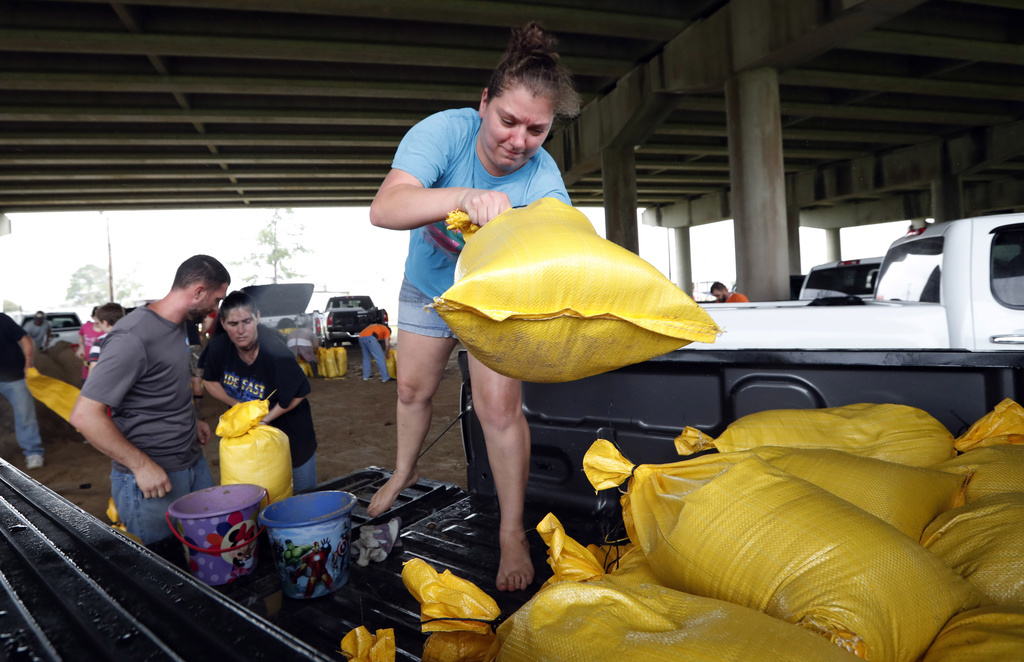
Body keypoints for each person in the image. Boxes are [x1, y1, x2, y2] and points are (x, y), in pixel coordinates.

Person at [366, 21, 580, 592]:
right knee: (413, 389)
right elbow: (385, 208)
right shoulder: (444, 133)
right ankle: (404, 470)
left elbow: (565, 244)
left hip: (493, 299)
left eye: (536, 130)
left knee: (499, 410)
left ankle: (512, 528)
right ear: (484, 103)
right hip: (428, 283)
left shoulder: (544, 175)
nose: (518, 140)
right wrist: (464, 197)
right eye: (508, 120)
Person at [69, 255, 230, 545]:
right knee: (161, 575)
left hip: (192, 463)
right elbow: (84, 415)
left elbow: (163, 385)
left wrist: (192, 421)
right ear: (197, 292)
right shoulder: (132, 336)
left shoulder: (181, 325)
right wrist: (141, 465)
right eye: (216, 300)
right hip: (152, 480)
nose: (214, 309)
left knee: (205, 555)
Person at [201, 291, 319, 493]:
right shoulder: (218, 348)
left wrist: (264, 420)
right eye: (233, 324)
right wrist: (238, 406)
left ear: (257, 316)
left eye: (246, 321)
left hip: (293, 437)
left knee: (302, 498)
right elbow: (209, 380)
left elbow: (299, 392)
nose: (240, 330)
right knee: (256, 499)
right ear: (222, 323)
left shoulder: (275, 350)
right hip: (250, 440)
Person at [0, 312, 46, 470]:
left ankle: (33, 452)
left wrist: (28, 364)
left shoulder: (2, 319)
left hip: (14, 376)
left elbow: (25, 340)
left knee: (25, 414)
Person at [85, 303, 126, 375]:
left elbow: (93, 371)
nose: (100, 327)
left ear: (105, 323)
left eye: (99, 323)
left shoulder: (100, 341)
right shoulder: (133, 337)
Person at [286, 313, 321, 378]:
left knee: (293, 359)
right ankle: (316, 374)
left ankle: (292, 375)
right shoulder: (311, 332)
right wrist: (314, 354)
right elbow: (316, 345)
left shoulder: (293, 331)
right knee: (311, 358)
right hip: (304, 343)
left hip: (290, 344)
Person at [76, 306, 103, 381]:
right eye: (97, 318)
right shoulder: (85, 326)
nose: (99, 321)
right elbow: (81, 336)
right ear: (92, 317)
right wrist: (81, 348)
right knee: (87, 383)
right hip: (87, 364)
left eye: (102, 318)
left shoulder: (106, 331)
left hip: (101, 366)